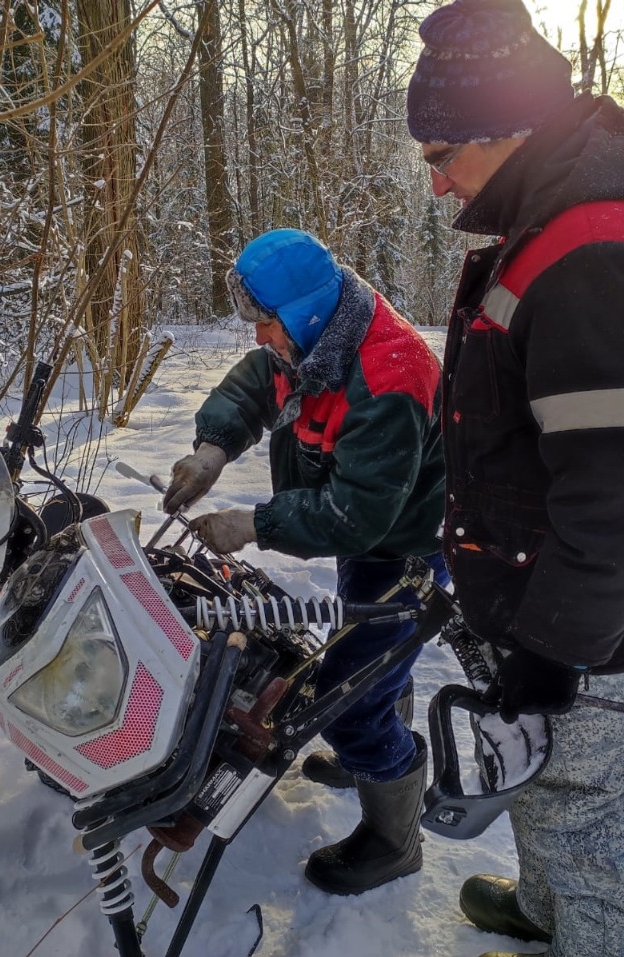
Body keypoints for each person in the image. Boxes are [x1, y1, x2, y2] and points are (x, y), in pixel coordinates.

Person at [404, 1, 624, 955]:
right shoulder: (565, 210)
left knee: (582, 805)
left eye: (443, 153)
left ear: (507, 129)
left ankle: (593, 927)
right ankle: (547, 912)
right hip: (556, 577)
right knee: (546, 780)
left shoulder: (591, 253)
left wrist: (555, 643)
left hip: (598, 603)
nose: (437, 184)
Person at [162, 227, 447, 895]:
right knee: (370, 661)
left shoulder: (389, 375)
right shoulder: (319, 336)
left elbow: (358, 513)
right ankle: (371, 743)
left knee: (349, 700)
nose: (261, 337)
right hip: (369, 543)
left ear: (306, 311)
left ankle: (394, 836)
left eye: (268, 322)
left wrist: (253, 524)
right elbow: (257, 381)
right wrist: (212, 448)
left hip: (406, 545)